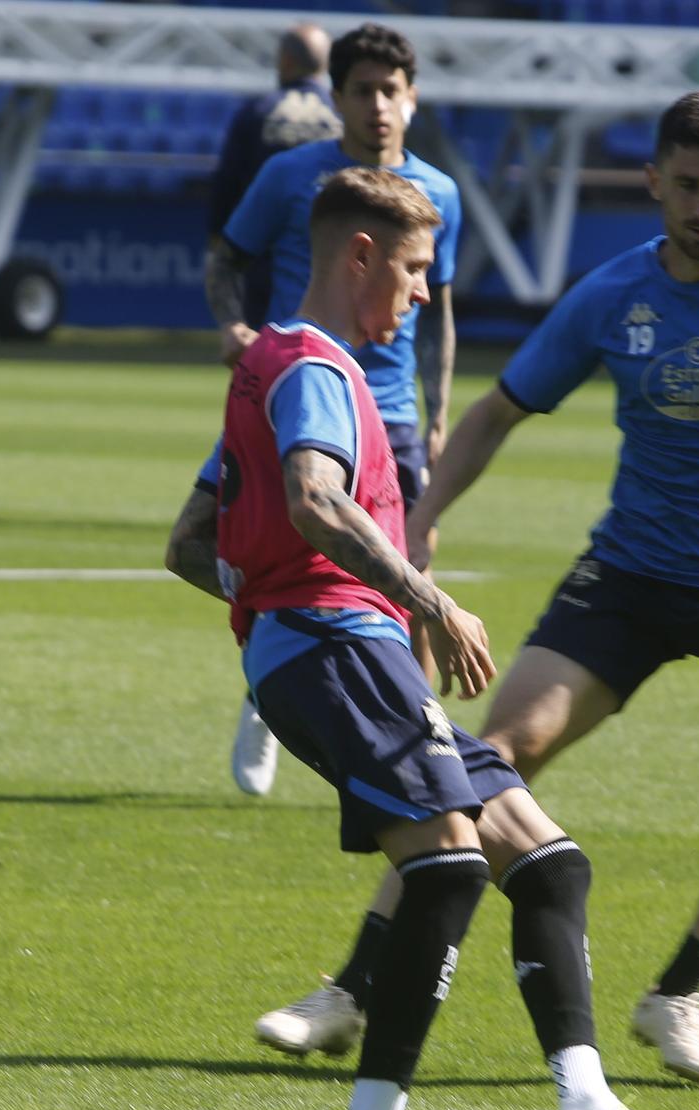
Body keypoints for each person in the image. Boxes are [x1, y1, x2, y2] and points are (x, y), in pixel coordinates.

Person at [253, 93, 699, 1086]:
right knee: (489, 756)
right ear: (653, 183)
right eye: (686, 187)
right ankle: (352, 989)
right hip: (626, 577)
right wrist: (415, 530)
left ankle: (679, 991)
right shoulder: (612, 295)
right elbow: (498, 411)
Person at [165, 167, 699, 1110]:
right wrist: (419, 602)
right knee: (448, 866)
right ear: (357, 256)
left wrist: (266, 596)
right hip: (337, 645)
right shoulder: (318, 369)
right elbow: (317, 502)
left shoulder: (275, 369)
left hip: (329, 647)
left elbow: (191, 544)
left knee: (542, 861)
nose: (422, 293)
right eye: (413, 269)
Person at [205, 22, 461, 800]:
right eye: (363, 90)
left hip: (391, 409)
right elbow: (227, 257)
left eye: (393, 91)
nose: (379, 106)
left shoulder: (435, 193)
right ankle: (277, 676)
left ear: (412, 100)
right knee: (273, 545)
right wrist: (231, 327)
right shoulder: (294, 177)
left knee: (407, 566)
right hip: (298, 392)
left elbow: (439, 307)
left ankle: (422, 737)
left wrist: (440, 410)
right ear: (337, 98)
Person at [205, 22, 341, 330]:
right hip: (337, 254)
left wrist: (218, 245)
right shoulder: (346, 112)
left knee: (267, 351)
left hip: (265, 256)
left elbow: (225, 189)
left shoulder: (257, 112)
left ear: (286, 61)